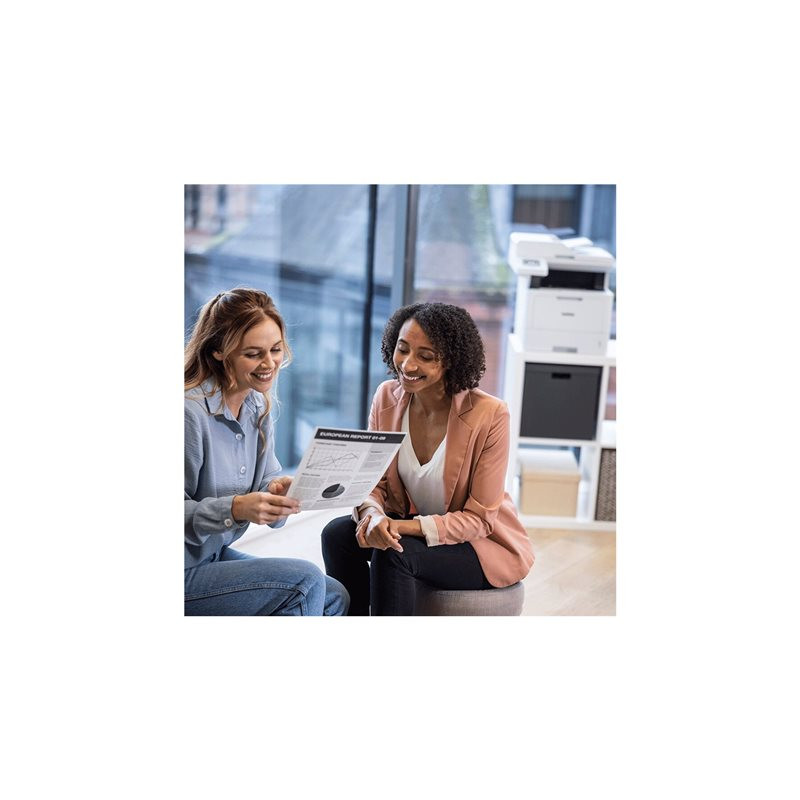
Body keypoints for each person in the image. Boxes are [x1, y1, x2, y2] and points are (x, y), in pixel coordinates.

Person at [321, 302, 534, 615]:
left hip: (477, 544)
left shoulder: (490, 414)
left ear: (451, 360)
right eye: (402, 349)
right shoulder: (386, 398)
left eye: (426, 356)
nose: (407, 364)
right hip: (415, 525)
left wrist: (399, 526)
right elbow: (374, 481)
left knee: (394, 552)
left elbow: (479, 520)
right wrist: (373, 515)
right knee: (336, 535)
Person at [184, 288, 349, 616]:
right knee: (305, 581)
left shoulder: (256, 405)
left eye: (275, 350)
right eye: (253, 354)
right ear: (218, 351)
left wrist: (278, 491)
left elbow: (267, 479)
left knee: (334, 595)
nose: (269, 363)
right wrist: (236, 508)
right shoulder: (188, 414)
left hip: (210, 556)